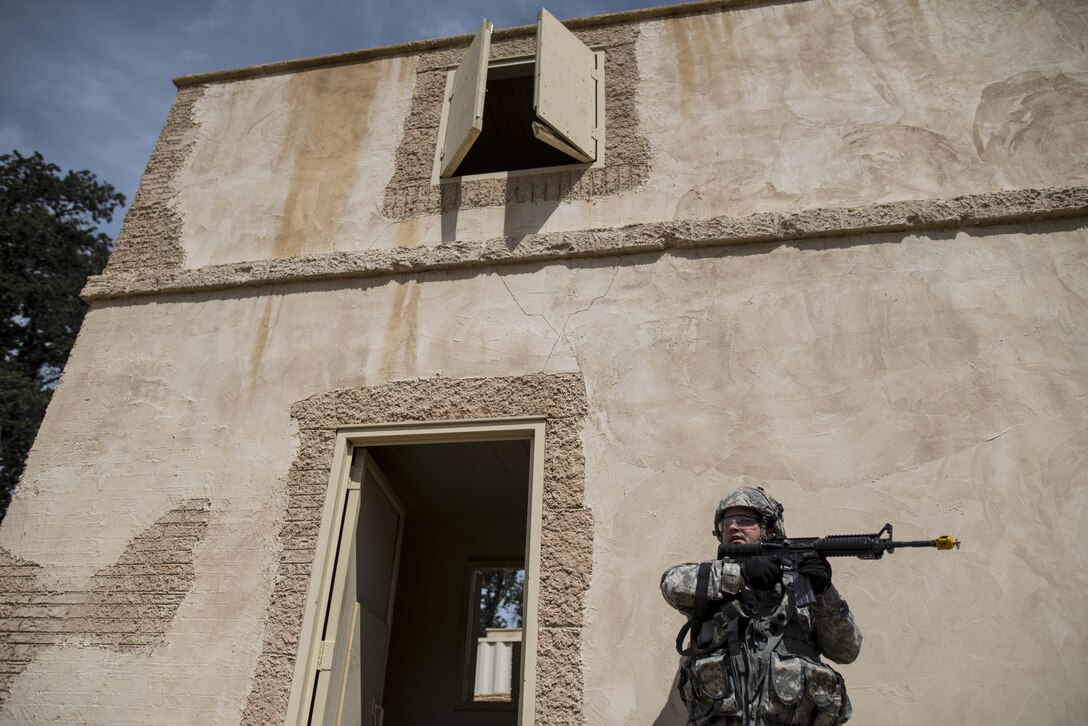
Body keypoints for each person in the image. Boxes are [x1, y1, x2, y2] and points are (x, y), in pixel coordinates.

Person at [660, 486, 861, 725]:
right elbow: (671, 584)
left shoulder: (799, 588)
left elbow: (846, 650)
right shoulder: (710, 585)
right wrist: (741, 573)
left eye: (745, 520)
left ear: (768, 528)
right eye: (727, 522)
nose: (733, 527)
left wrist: (824, 592)